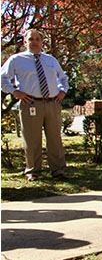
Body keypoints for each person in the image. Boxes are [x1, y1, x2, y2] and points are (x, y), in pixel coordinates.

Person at [1, 29, 68, 181]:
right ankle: (33, 171)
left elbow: (63, 78)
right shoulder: (16, 60)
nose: (34, 42)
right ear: (25, 42)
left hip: (52, 103)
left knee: (55, 139)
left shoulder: (50, 60)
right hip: (30, 103)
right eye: (31, 39)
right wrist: (14, 92)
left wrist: (62, 91)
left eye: (37, 39)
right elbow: (2, 79)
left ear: (42, 42)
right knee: (31, 139)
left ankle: (58, 170)